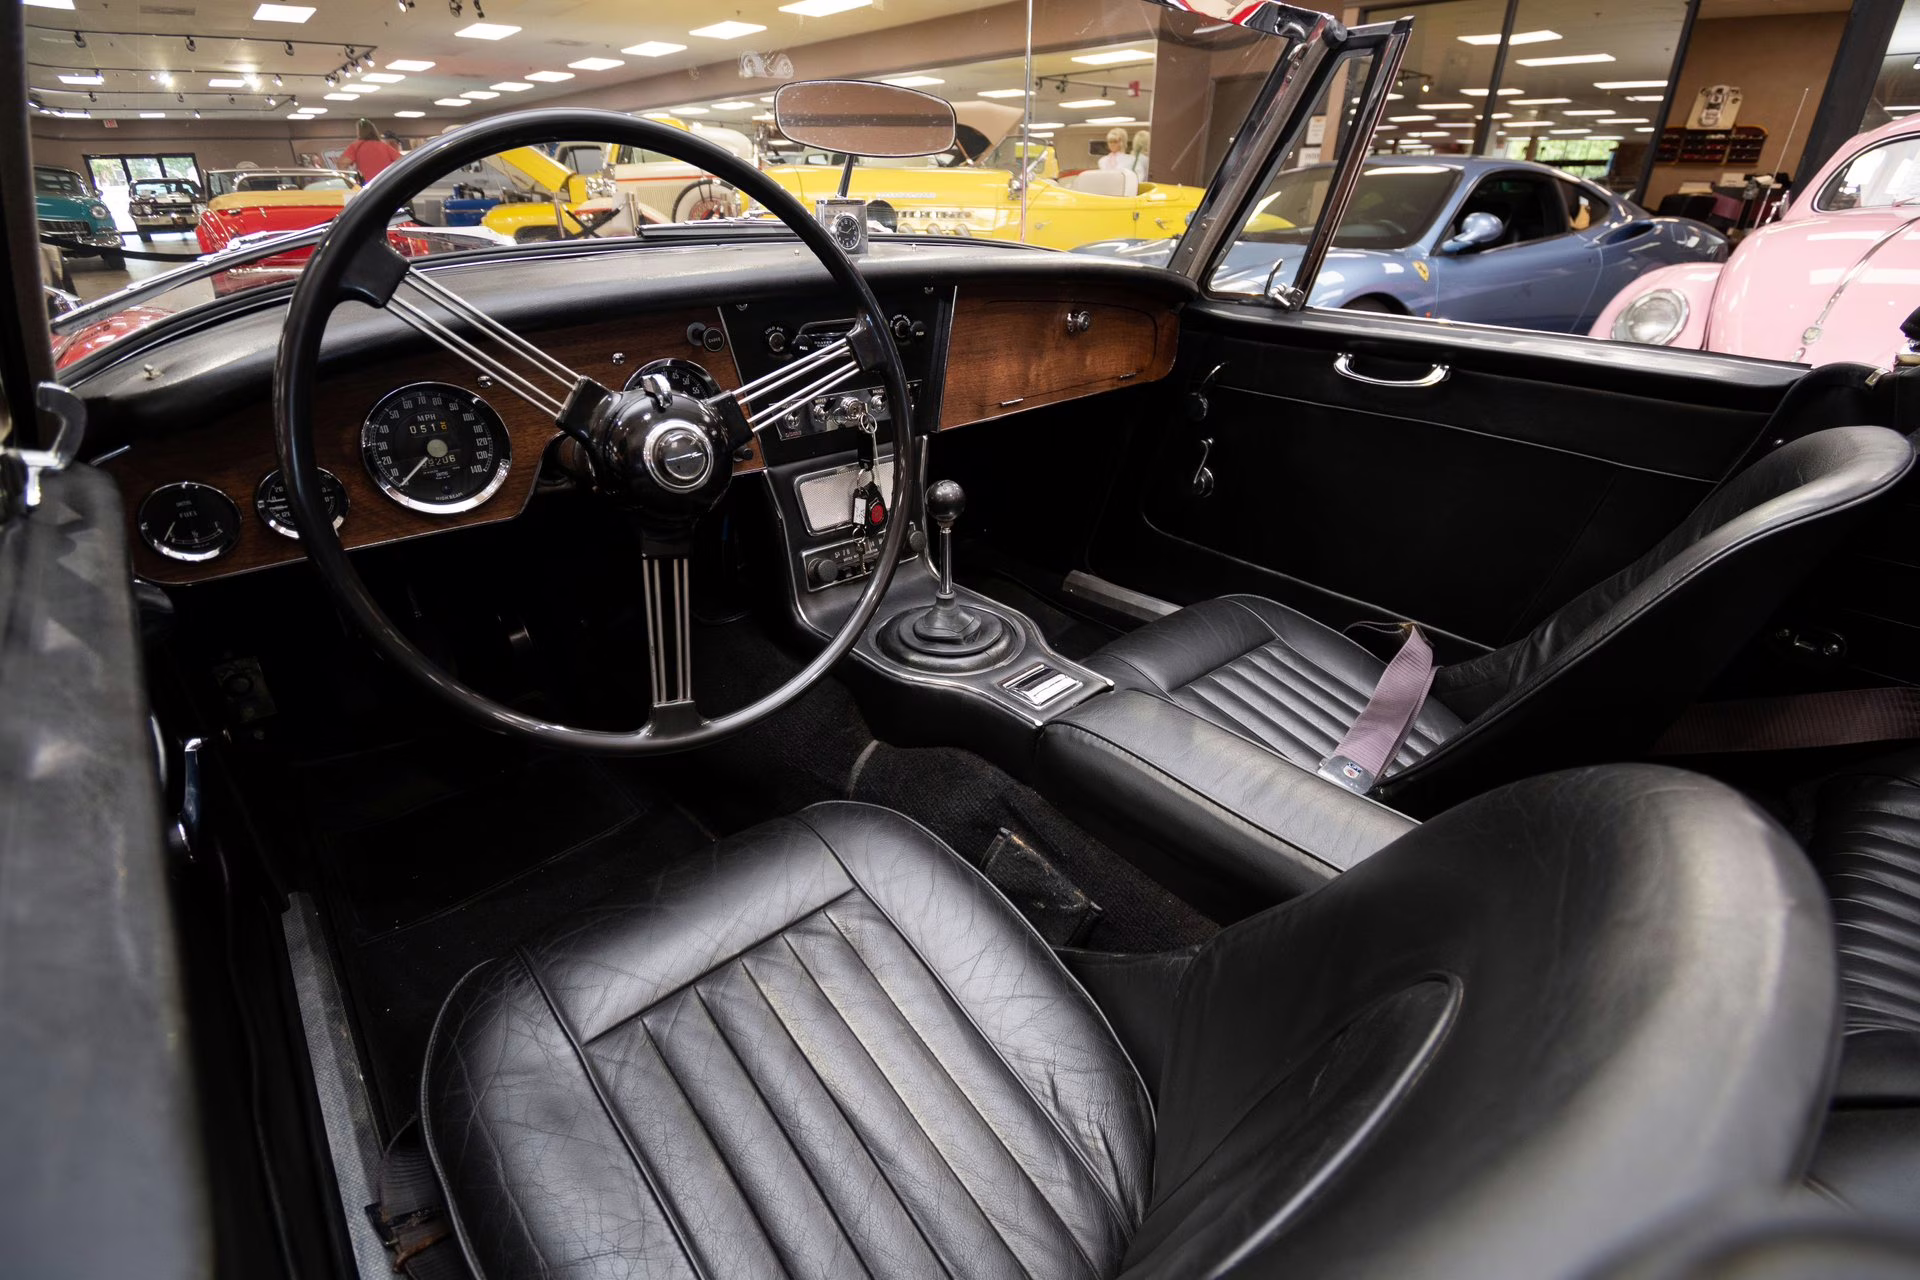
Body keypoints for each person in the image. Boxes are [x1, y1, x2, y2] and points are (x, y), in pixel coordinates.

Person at [340, 118, 402, 183]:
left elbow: (342, 164)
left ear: (359, 131)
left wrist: (349, 182)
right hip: (387, 181)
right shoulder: (383, 146)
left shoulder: (356, 146)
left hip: (369, 185)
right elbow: (402, 160)